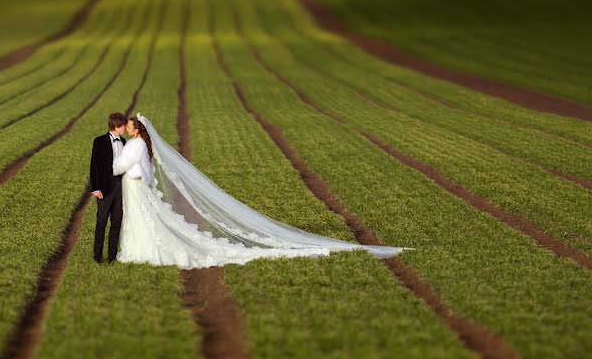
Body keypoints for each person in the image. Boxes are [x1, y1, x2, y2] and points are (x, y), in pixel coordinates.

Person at [111, 114, 408, 268]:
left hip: (135, 188)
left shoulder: (134, 144)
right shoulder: (138, 143)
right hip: (138, 188)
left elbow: (121, 166)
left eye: (131, 125)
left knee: (143, 221)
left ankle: (142, 251)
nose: (129, 127)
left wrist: (105, 168)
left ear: (137, 130)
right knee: (143, 220)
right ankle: (138, 249)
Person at [89, 112, 128, 263]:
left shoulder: (124, 142)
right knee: (101, 222)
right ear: (117, 127)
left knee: (117, 222)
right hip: (104, 188)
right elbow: (94, 166)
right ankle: (97, 256)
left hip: (120, 186)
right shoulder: (99, 142)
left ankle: (112, 256)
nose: (125, 129)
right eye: (124, 126)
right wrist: (95, 188)